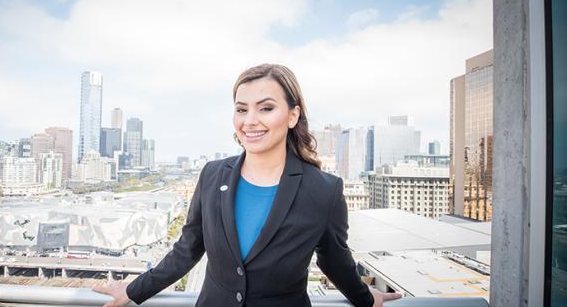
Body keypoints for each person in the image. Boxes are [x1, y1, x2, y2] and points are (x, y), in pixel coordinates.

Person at [93, 64, 402, 307]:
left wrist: (365, 298)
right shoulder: (213, 175)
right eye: (242, 109)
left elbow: (335, 260)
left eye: (266, 108)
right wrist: (133, 290)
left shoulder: (324, 189)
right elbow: (186, 250)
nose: (249, 120)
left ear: (293, 115)